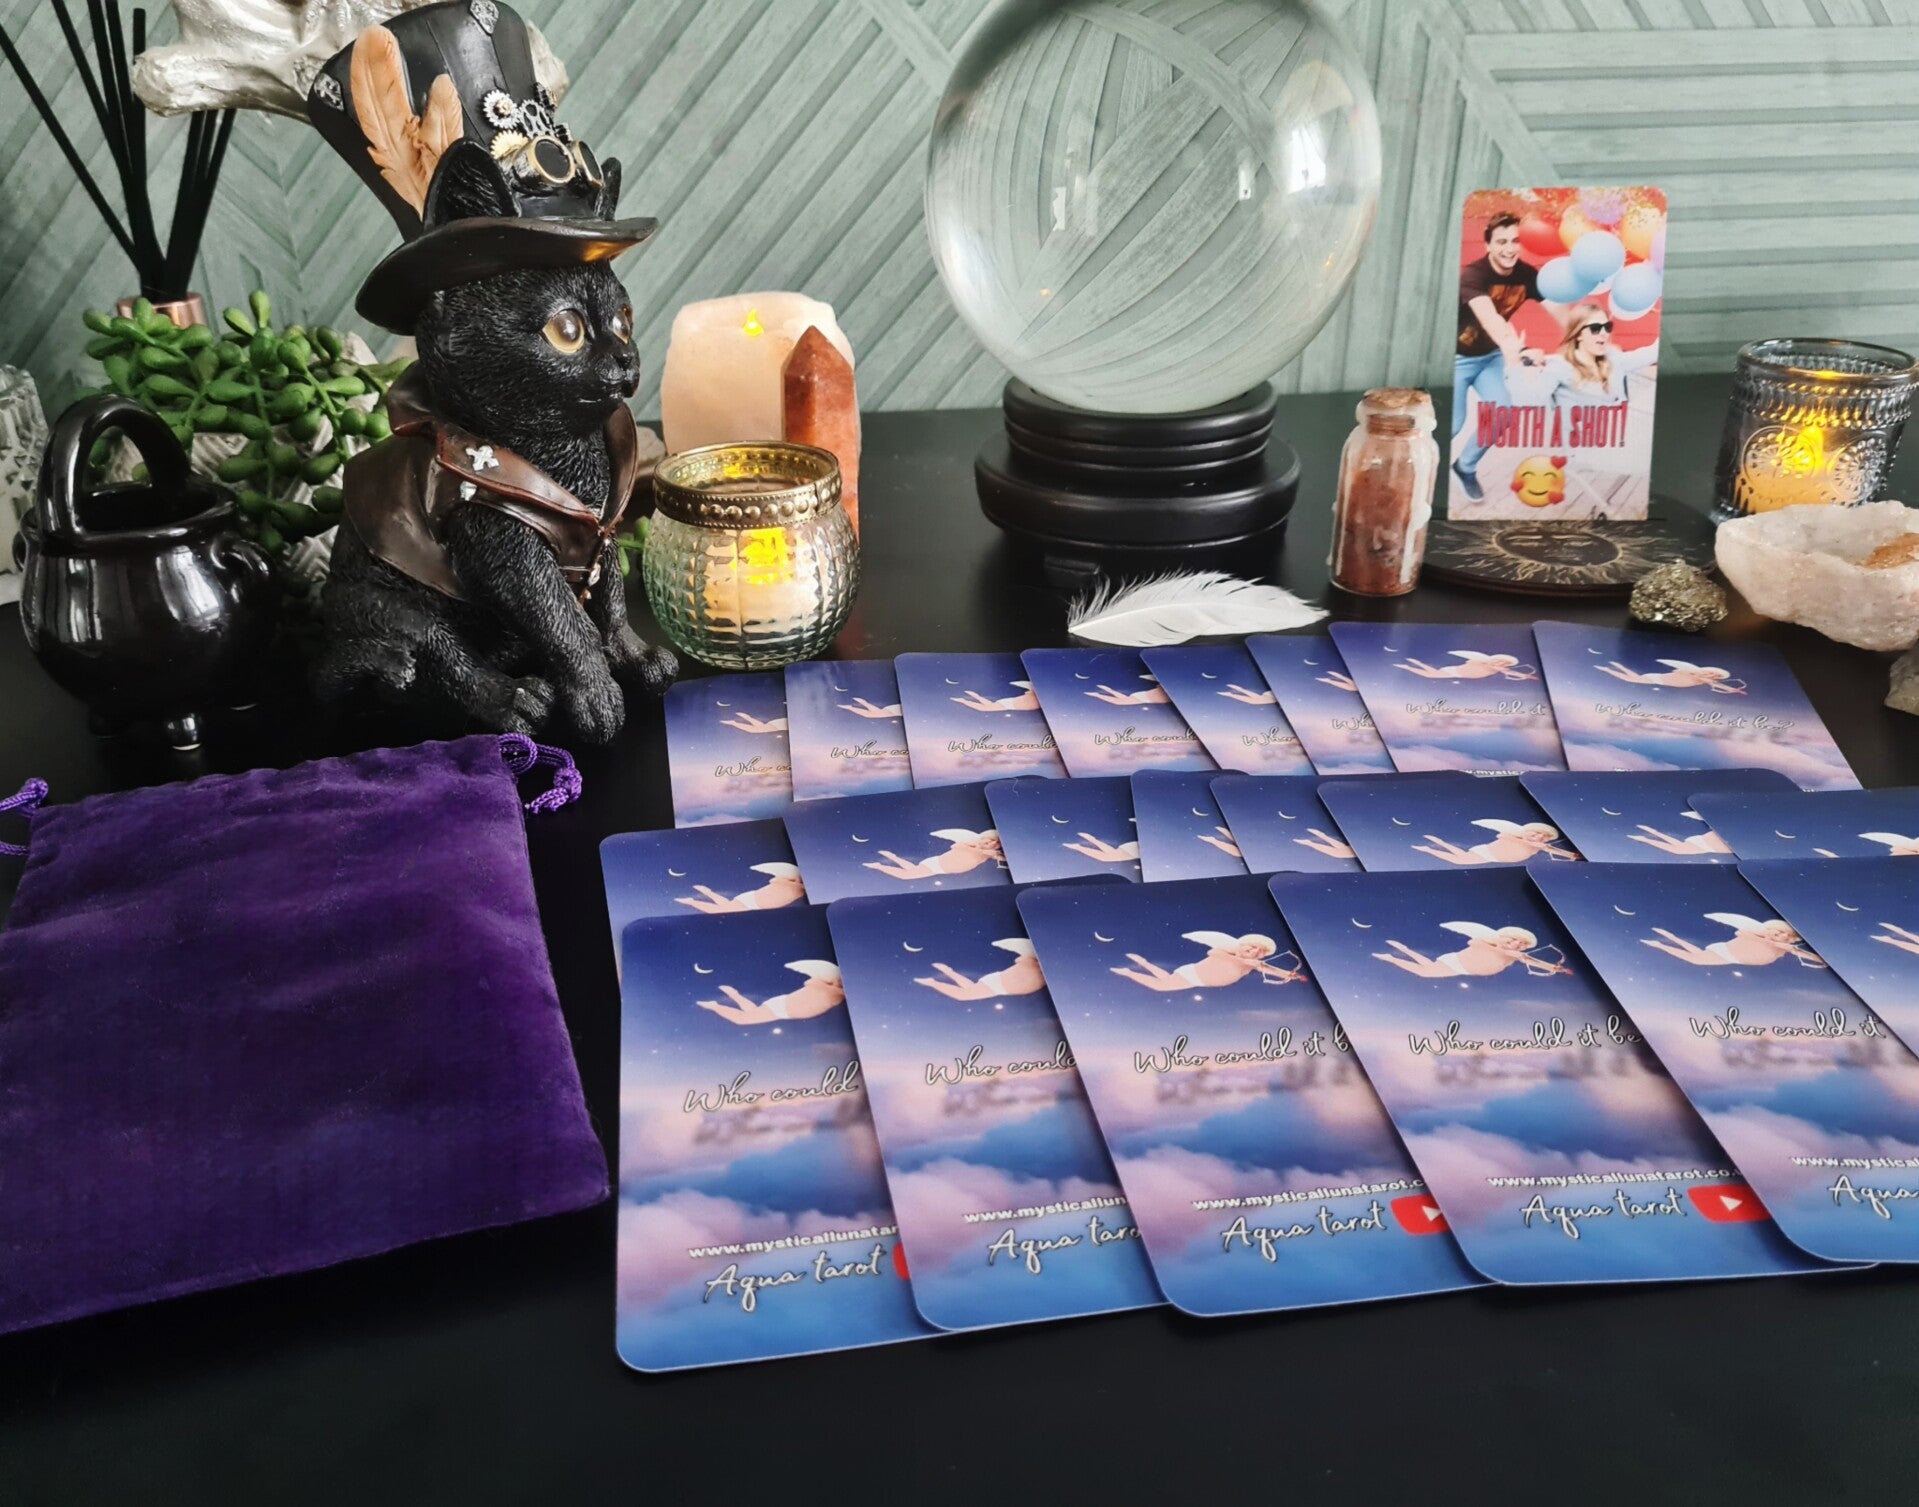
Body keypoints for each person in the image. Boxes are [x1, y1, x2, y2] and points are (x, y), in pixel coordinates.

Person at [1453, 212, 1541, 501]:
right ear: (1488, 245)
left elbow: (1560, 305)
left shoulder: (1526, 274)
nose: (1510, 248)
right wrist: (1518, 352)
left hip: (1489, 358)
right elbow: (1492, 320)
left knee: (1501, 413)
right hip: (1457, 358)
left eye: (1515, 241)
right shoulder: (1474, 275)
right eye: (1502, 241)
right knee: (1454, 424)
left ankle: (1465, 467)